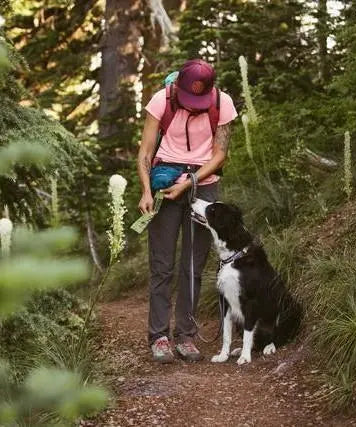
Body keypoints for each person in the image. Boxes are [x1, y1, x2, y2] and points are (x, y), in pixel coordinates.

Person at [137, 59, 237, 363]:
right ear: (178, 86)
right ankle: (159, 337)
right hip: (164, 183)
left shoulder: (223, 104)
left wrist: (191, 181)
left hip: (204, 187)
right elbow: (144, 150)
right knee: (162, 263)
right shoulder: (161, 99)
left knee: (193, 264)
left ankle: (186, 336)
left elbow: (220, 155)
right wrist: (145, 190)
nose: (194, 107)